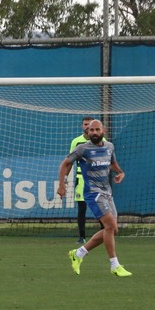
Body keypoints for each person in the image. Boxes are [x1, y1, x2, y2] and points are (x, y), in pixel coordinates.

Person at [57, 119, 131, 277]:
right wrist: (62, 185)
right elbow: (65, 164)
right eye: (91, 130)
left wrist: (120, 172)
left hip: (107, 192)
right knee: (110, 227)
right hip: (92, 192)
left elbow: (112, 163)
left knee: (112, 229)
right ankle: (114, 265)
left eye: (97, 130)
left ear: (103, 130)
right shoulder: (82, 149)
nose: (94, 133)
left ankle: (78, 253)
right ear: (87, 132)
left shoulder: (109, 146)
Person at [70, 116, 93, 243]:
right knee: (82, 208)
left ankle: (105, 233)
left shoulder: (102, 140)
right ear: (82, 126)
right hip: (81, 178)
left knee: (100, 208)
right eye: (85, 124)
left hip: (96, 179)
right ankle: (82, 237)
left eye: (89, 124)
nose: (87, 126)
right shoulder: (76, 142)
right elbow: (69, 160)